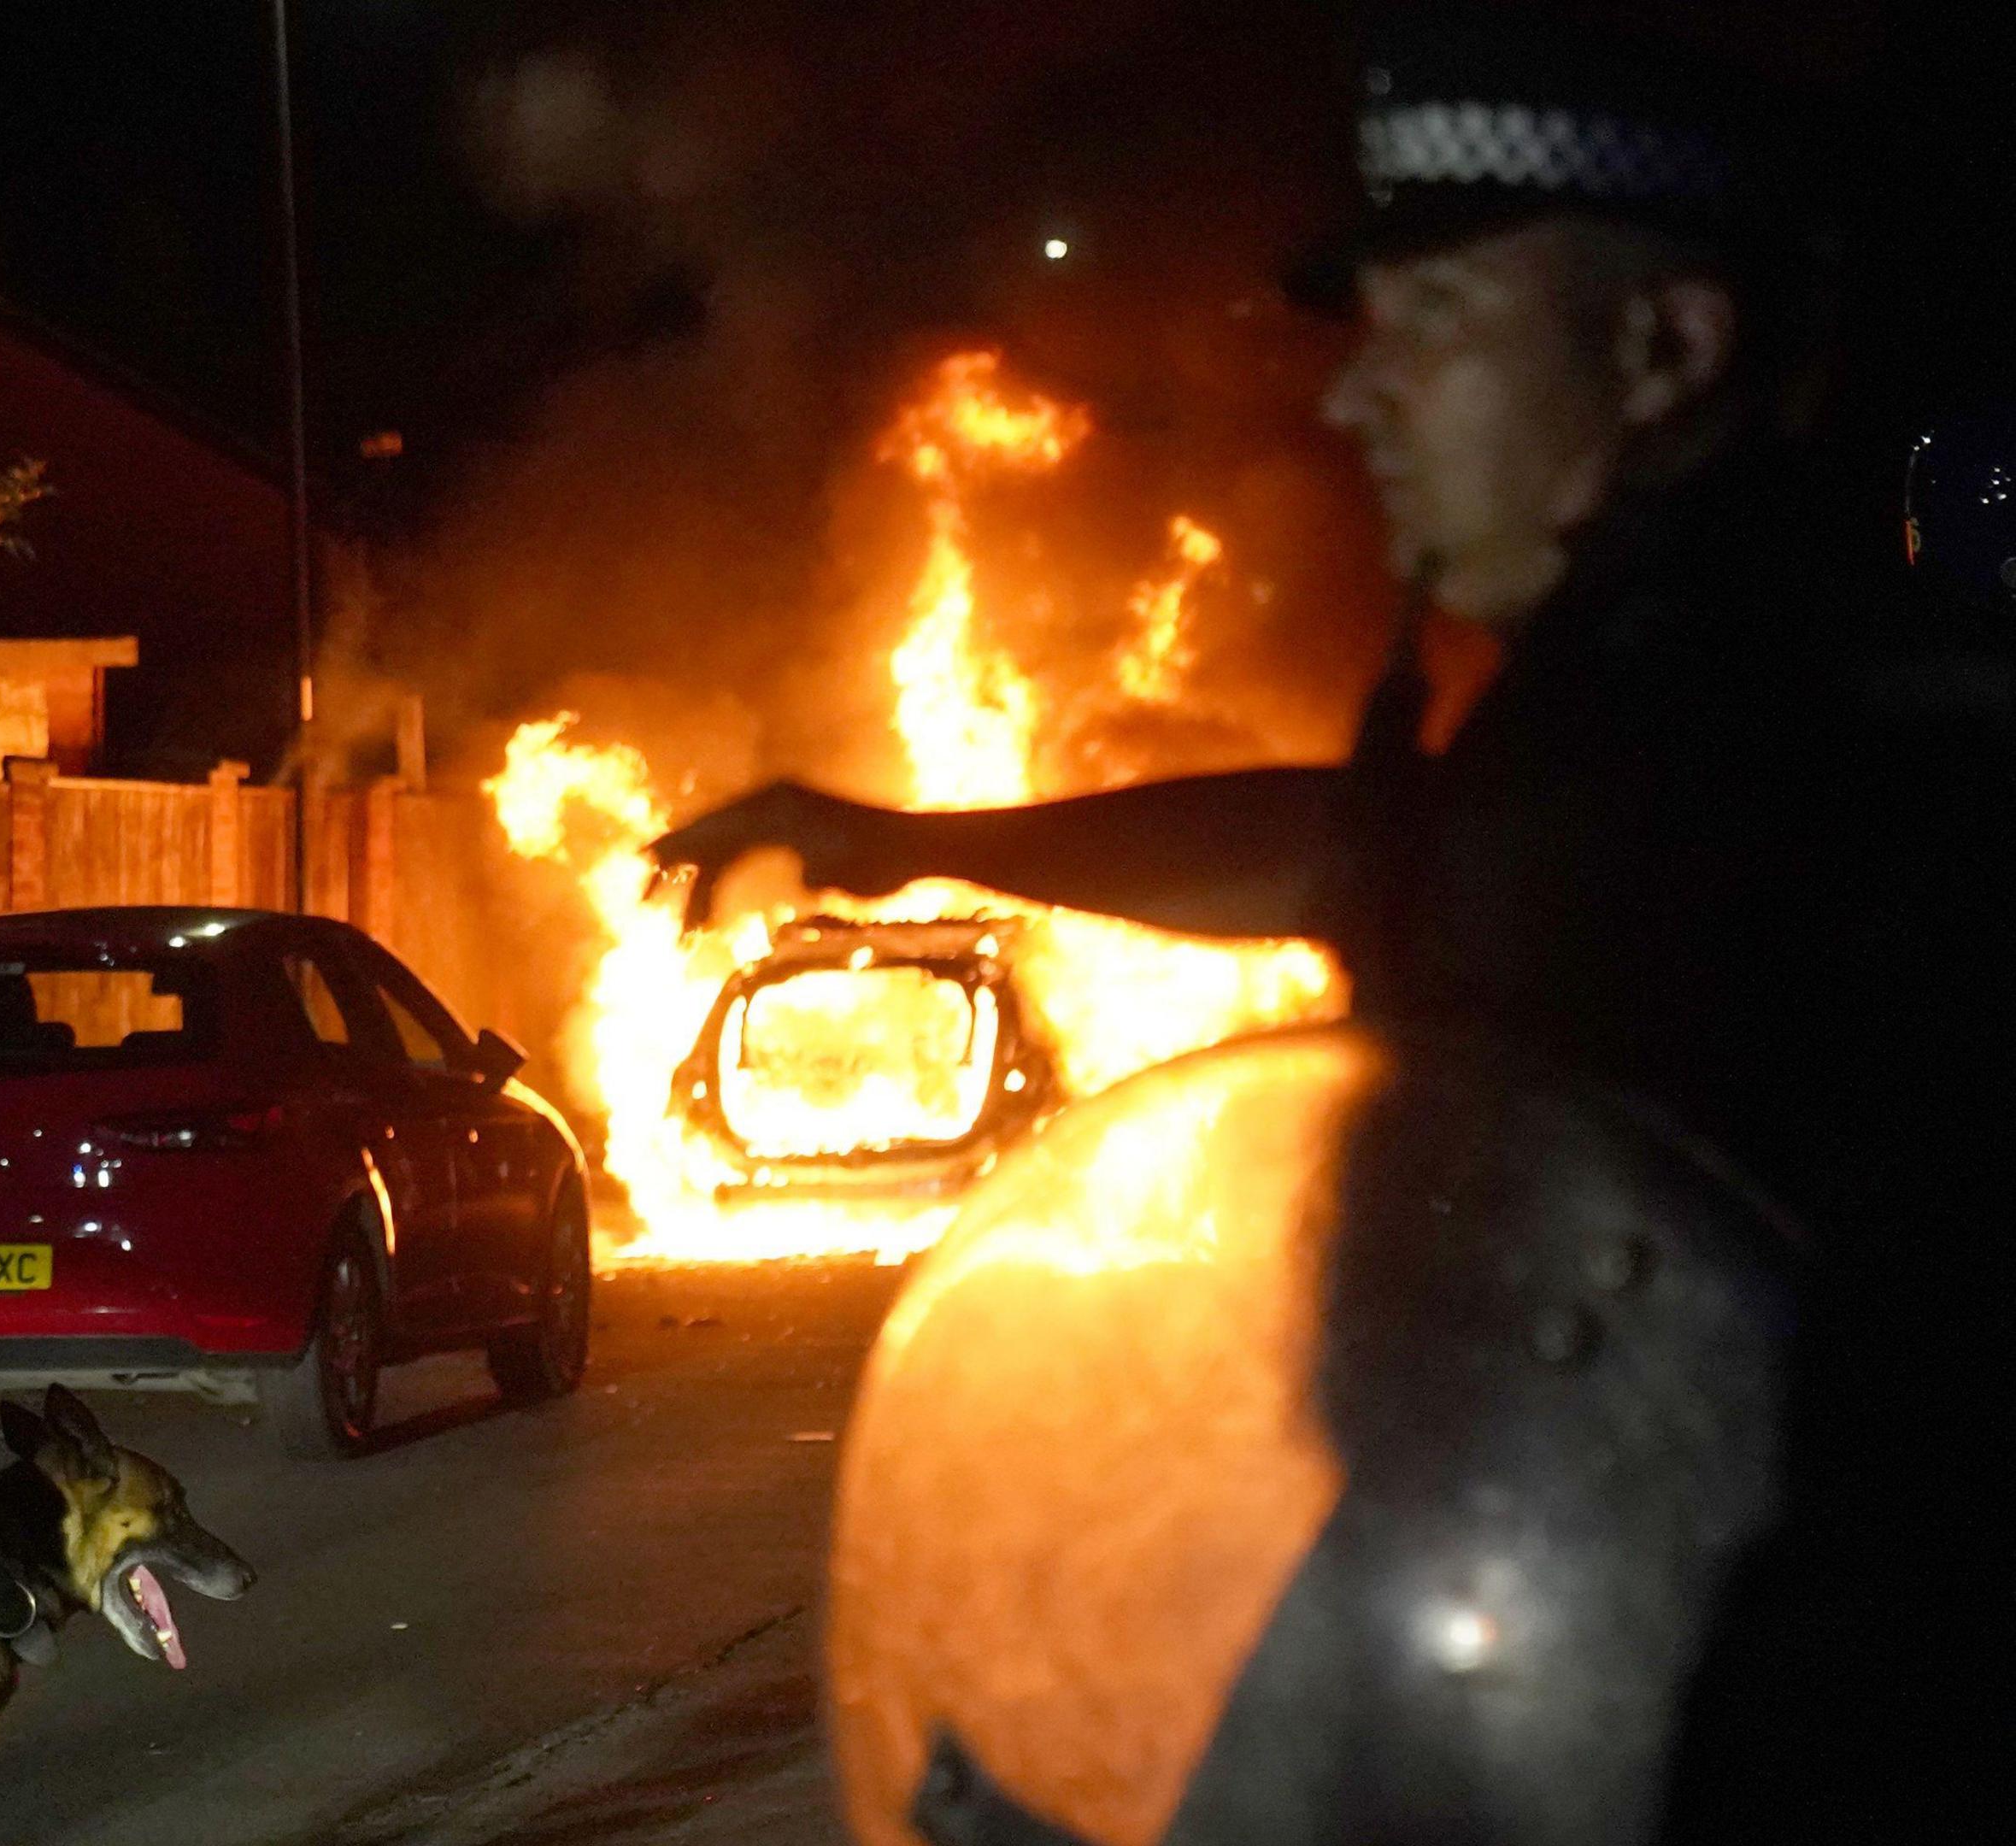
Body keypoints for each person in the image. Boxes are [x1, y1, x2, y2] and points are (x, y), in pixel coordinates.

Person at [672, 9, 2007, 1839]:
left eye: (1437, 323)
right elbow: (1355, 853)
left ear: (1666, 346)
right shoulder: (1651, 694)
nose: (1352, 395)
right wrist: (901, 839)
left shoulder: (1794, 773)